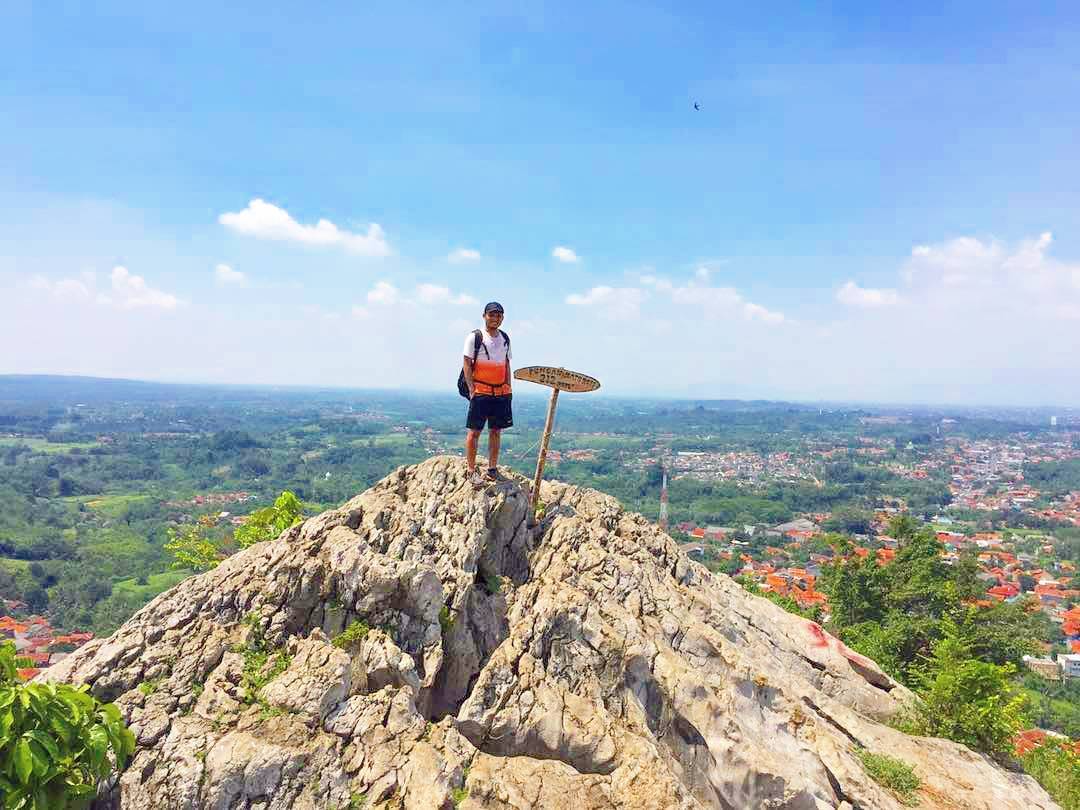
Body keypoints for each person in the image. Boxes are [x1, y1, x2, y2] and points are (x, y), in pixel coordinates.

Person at [463, 302, 512, 486]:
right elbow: (466, 363)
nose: (495, 318)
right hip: (481, 391)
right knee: (474, 432)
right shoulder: (475, 337)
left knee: (496, 431)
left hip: (500, 392)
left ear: (502, 318)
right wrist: (471, 389)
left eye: (499, 315)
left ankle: (492, 469)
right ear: (484, 315)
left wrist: (508, 387)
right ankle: (471, 470)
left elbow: (507, 363)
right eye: (492, 314)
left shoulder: (505, 338)